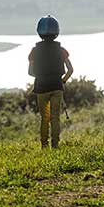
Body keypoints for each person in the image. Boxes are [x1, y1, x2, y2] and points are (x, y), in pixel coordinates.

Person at [28, 15, 74, 148]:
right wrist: (62, 81)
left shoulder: (34, 51)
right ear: (57, 32)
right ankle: (55, 145)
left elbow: (30, 72)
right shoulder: (61, 50)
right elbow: (70, 70)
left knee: (45, 118)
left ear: (39, 32)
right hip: (57, 87)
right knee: (55, 118)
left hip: (41, 88)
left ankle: (44, 146)